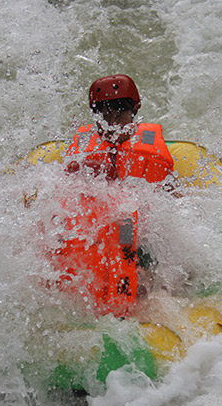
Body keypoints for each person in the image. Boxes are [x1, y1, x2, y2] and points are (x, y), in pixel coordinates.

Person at [52, 74, 174, 317]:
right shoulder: (84, 155)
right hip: (100, 233)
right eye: (104, 116)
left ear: (134, 110)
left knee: (147, 258)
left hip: (140, 233)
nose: (112, 123)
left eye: (119, 114)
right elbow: (64, 195)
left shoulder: (151, 154)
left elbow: (172, 198)